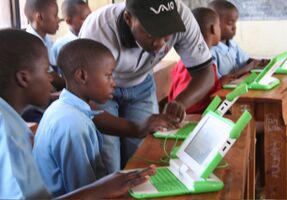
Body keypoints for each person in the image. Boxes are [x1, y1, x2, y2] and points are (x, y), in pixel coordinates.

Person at [0, 29, 156, 199]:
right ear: (24, 78)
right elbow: (85, 187)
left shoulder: (15, 121)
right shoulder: (70, 123)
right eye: (46, 71)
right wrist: (102, 189)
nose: (51, 79)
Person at [80, 0, 215, 172]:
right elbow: (86, 100)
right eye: (151, 34)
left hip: (142, 84)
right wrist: (136, 128)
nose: (159, 43)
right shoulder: (99, 31)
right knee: (109, 162)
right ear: (129, 19)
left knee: (144, 157)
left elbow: (205, 73)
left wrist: (180, 102)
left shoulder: (181, 17)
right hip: (100, 91)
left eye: (166, 35)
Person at [33, 39, 177, 196]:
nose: (114, 83)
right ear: (82, 76)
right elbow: (85, 193)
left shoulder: (64, 108)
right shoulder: (73, 124)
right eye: (108, 75)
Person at [169, 7, 222, 114]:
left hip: (207, 114)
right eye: (219, 26)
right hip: (193, 120)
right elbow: (184, 108)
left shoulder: (203, 62)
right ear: (213, 29)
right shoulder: (193, 67)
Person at [209, 0, 269, 81]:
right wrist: (249, 67)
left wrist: (259, 62)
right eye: (230, 23)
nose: (234, 27)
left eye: (235, 23)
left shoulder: (232, 44)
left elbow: (246, 60)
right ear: (214, 26)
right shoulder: (211, 52)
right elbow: (220, 82)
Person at [24, 0, 64, 90]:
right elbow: (53, 78)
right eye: (55, 15)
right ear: (40, 17)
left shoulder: (47, 40)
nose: (59, 19)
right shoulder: (31, 44)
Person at [51, 0, 91, 65]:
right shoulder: (60, 45)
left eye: (91, 17)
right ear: (69, 21)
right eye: (85, 18)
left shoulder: (93, 38)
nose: (90, 21)